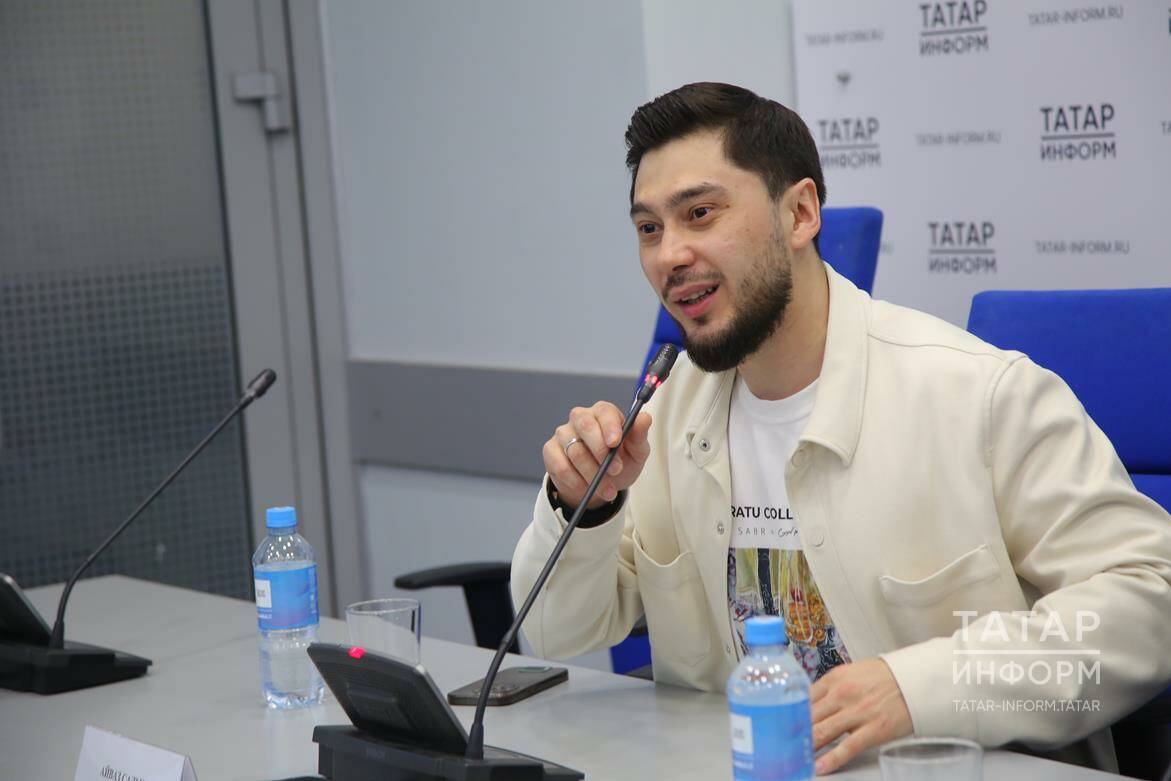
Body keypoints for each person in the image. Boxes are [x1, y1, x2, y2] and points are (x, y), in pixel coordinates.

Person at [510, 82, 1171, 774]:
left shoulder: (979, 395)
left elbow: (1150, 598)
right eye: (649, 229)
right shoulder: (667, 412)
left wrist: (917, 689)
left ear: (799, 213)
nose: (668, 255)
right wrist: (586, 506)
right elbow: (555, 629)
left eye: (699, 214)